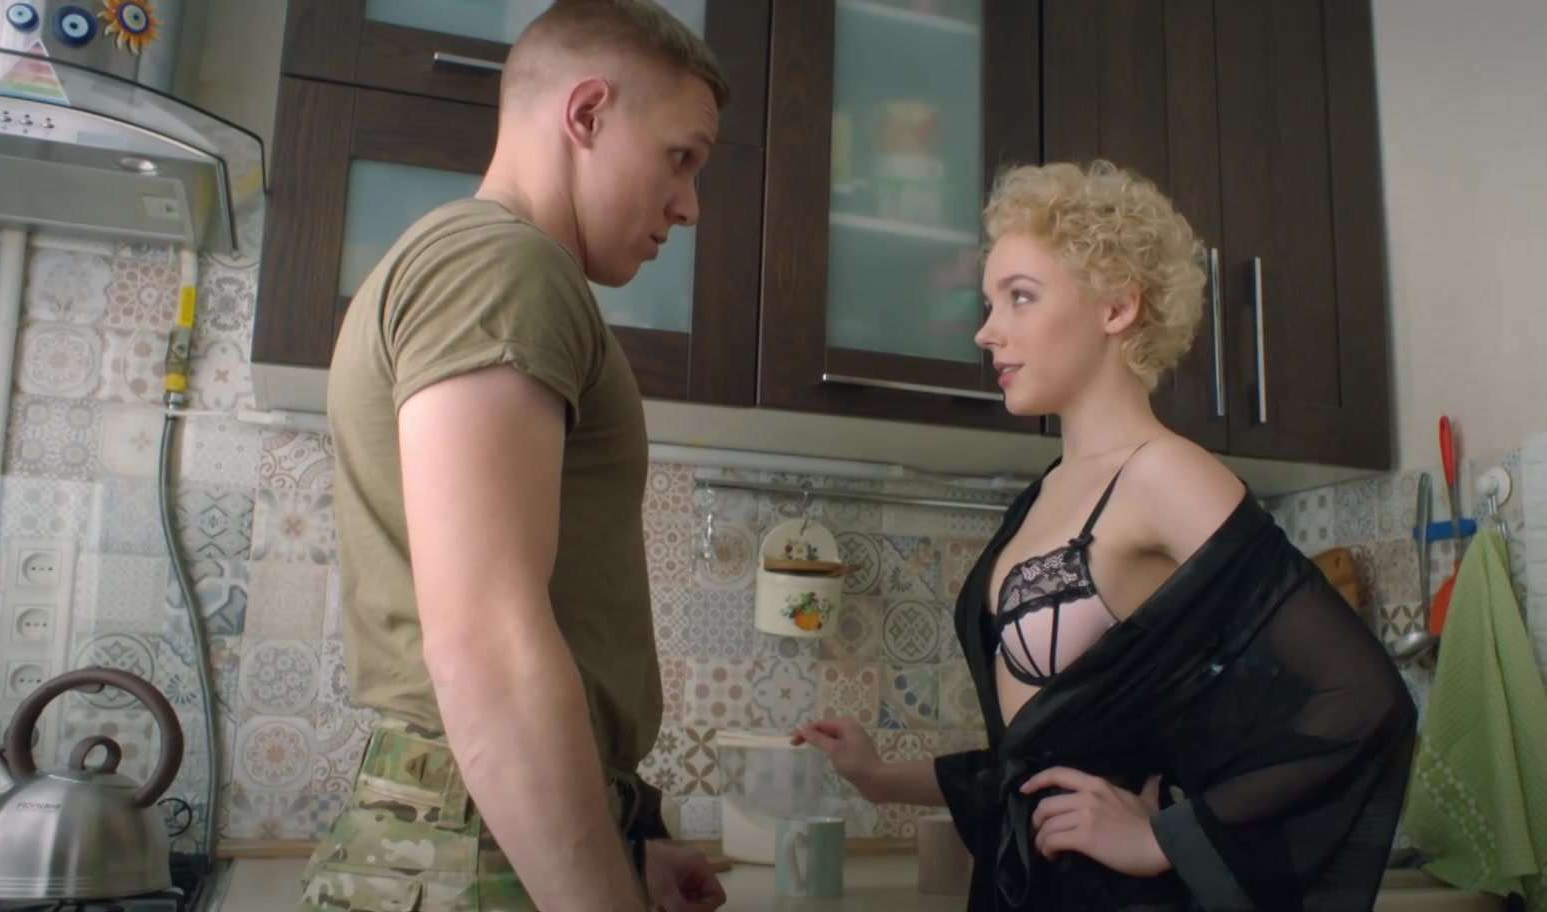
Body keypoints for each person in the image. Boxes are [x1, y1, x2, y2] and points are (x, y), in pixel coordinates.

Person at [795, 161, 1416, 910]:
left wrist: (1164, 838)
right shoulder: (1046, 492)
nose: (986, 331)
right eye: (989, 302)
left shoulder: (1165, 474)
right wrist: (878, 776)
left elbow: (1363, 698)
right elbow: (1038, 760)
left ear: (1118, 306)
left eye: (1020, 297)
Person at [302, 2, 730, 909]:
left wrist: (626, 850)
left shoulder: (479, 264)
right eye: (680, 158)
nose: (690, 206)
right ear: (587, 113)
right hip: (474, 841)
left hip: (483, 830)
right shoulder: (502, 268)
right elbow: (487, 645)